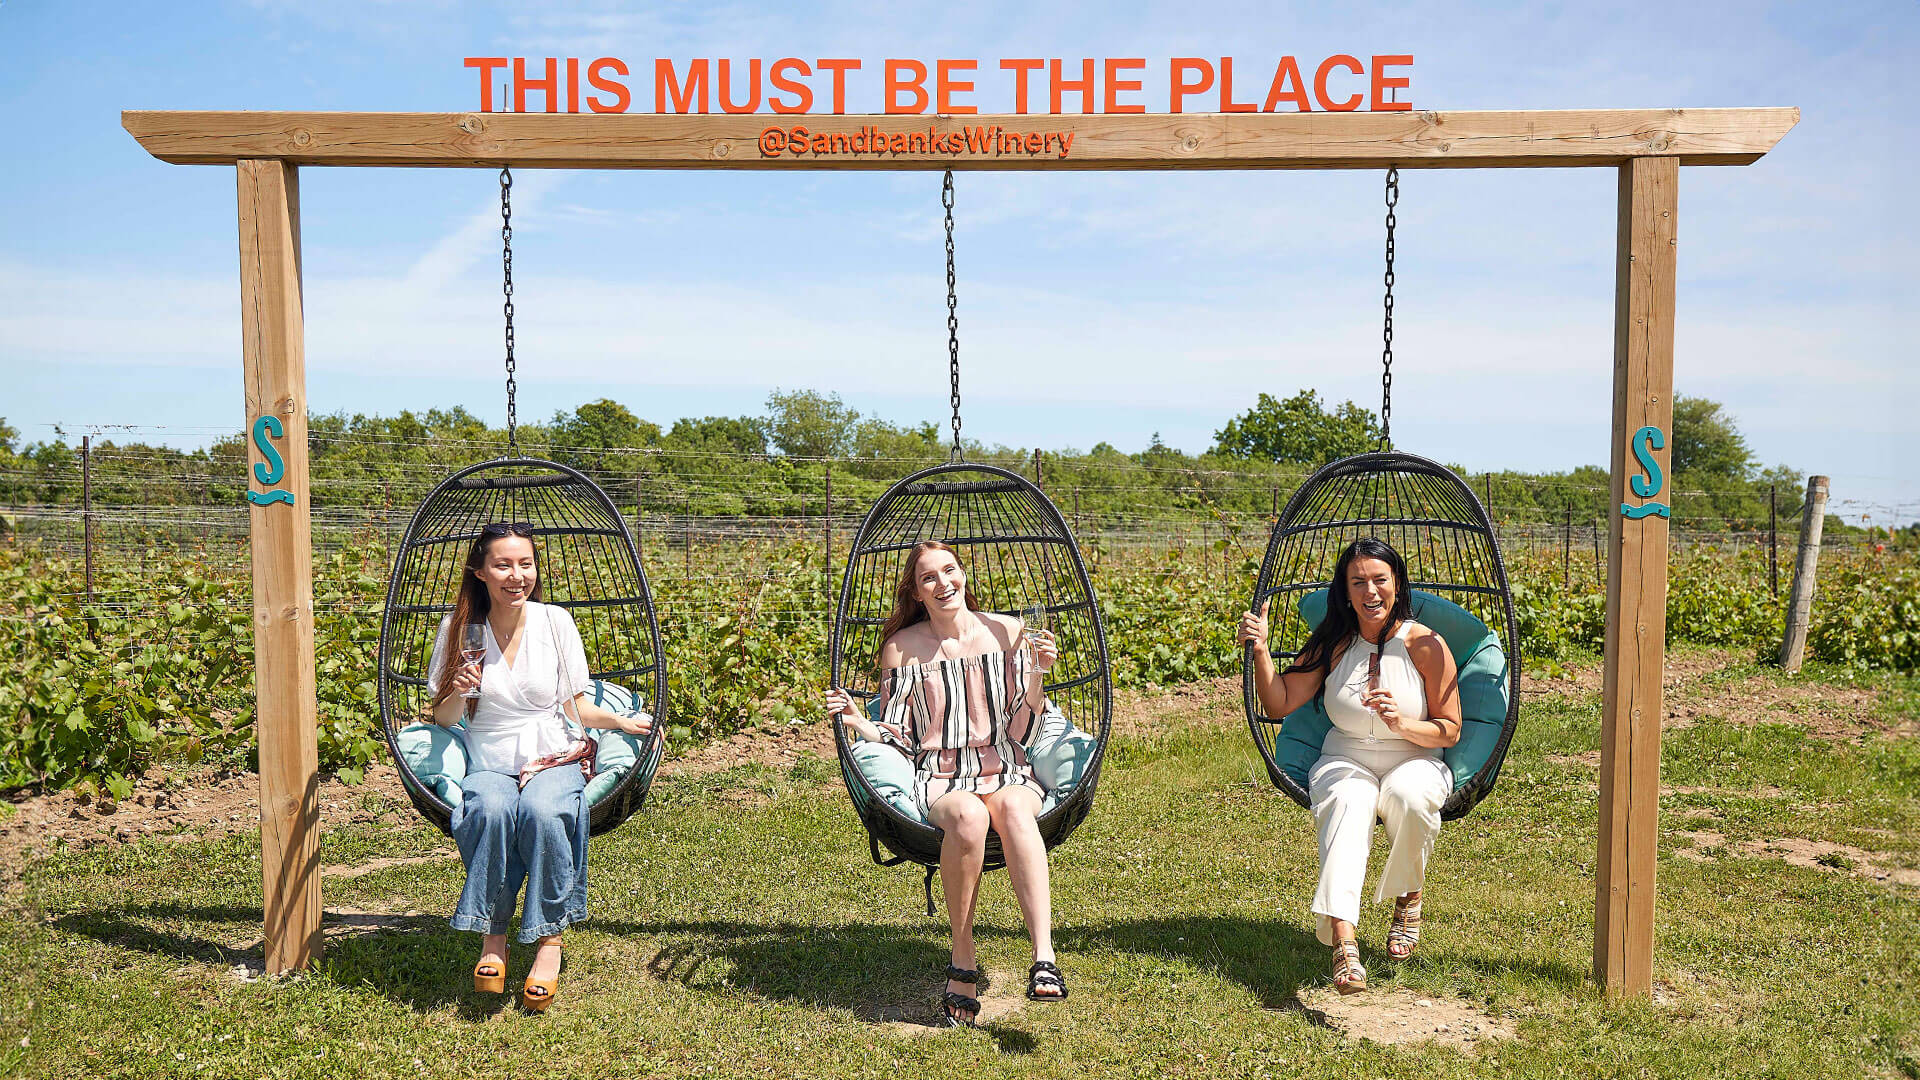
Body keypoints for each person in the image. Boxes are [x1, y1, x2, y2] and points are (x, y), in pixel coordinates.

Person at [825, 541, 1068, 1026]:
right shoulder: (903, 647)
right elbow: (900, 735)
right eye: (929, 578)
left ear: (964, 574)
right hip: (941, 775)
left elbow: (1025, 725)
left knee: (1017, 809)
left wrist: (1039, 673)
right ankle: (963, 956)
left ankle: (1044, 956)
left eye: (950, 571)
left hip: (1006, 765)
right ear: (915, 592)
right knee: (968, 814)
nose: (943, 584)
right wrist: (860, 723)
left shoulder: (1009, 631)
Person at [426, 522, 652, 1011]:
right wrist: (458, 687)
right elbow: (443, 718)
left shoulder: (556, 622)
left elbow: (576, 708)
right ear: (480, 572)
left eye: (525, 563)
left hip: (552, 753)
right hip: (490, 759)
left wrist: (619, 721)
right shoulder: (458, 628)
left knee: (546, 812)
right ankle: (496, 935)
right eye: (503, 565)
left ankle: (549, 939)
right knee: (488, 809)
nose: (516, 575)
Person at [1238, 537, 1461, 994]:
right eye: (1358, 582)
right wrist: (1260, 651)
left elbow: (1450, 729)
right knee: (1347, 801)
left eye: (1380, 579)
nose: (1370, 591)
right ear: (1344, 590)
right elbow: (1279, 702)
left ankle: (1408, 895)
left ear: (1397, 584)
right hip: (1345, 758)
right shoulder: (1334, 643)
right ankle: (1345, 944)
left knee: (1410, 796)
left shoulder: (1426, 645)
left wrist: (1402, 722)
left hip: (1416, 755)